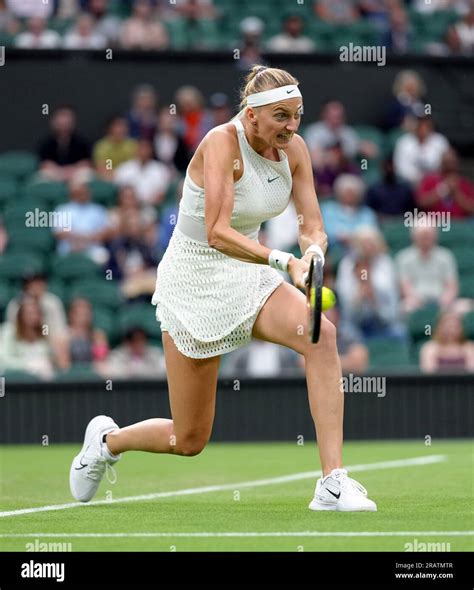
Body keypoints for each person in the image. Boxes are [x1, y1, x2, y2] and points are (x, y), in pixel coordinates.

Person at [70, 65, 376, 512]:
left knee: (321, 336)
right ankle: (106, 441)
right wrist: (283, 259)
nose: (292, 126)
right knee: (189, 437)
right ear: (251, 115)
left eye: (297, 115)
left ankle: (332, 482)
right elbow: (215, 231)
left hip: (249, 272)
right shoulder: (220, 143)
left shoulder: (295, 151)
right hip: (193, 277)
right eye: (281, 117)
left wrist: (312, 253)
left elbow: (311, 224)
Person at [0, 296, 69, 379]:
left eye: (36, 313)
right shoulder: (8, 330)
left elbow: (51, 355)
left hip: (39, 383)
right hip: (13, 380)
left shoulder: (44, 329)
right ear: (20, 315)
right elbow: (3, 361)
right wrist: (28, 365)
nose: (33, 317)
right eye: (29, 313)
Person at [396, 225, 459, 313]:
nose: (425, 239)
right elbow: (404, 286)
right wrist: (416, 300)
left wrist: (445, 300)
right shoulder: (404, 257)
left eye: (428, 236)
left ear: (435, 236)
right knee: (405, 308)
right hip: (414, 301)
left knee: (465, 307)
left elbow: (451, 286)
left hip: (443, 300)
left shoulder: (446, 256)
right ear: (414, 237)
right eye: (422, 236)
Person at [37, 105, 92, 182]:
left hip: (75, 172)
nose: (64, 126)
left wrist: (71, 170)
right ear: (54, 123)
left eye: (66, 123)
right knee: (43, 175)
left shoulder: (82, 142)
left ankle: (76, 193)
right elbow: (44, 163)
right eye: (61, 124)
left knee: (86, 173)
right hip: (55, 172)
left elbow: (86, 162)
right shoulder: (46, 143)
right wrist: (60, 171)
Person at [416, 148, 474, 218]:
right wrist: (443, 189)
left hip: (460, 224)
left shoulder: (464, 183)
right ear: (441, 163)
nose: (449, 165)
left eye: (452, 162)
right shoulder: (429, 180)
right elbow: (421, 202)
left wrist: (456, 193)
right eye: (446, 162)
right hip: (434, 222)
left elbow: (471, 208)